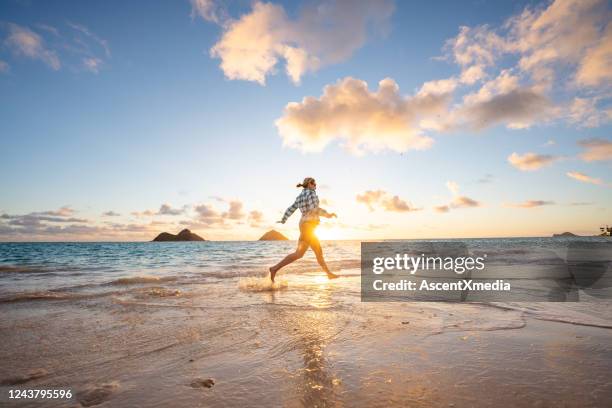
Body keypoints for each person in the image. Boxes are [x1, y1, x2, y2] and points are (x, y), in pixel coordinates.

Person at [269, 177, 339, 282]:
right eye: (314, 183)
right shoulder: (311, 194)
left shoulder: (300, 196)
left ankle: (328, 274)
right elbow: (314, 209)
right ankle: (274, 268)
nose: (315, 186)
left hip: (304, 225)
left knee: (308, 253)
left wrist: (284, 219)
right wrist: (328, 215)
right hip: (308, 226)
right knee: (307, 252)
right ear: (309, 184)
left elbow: (291, 208)